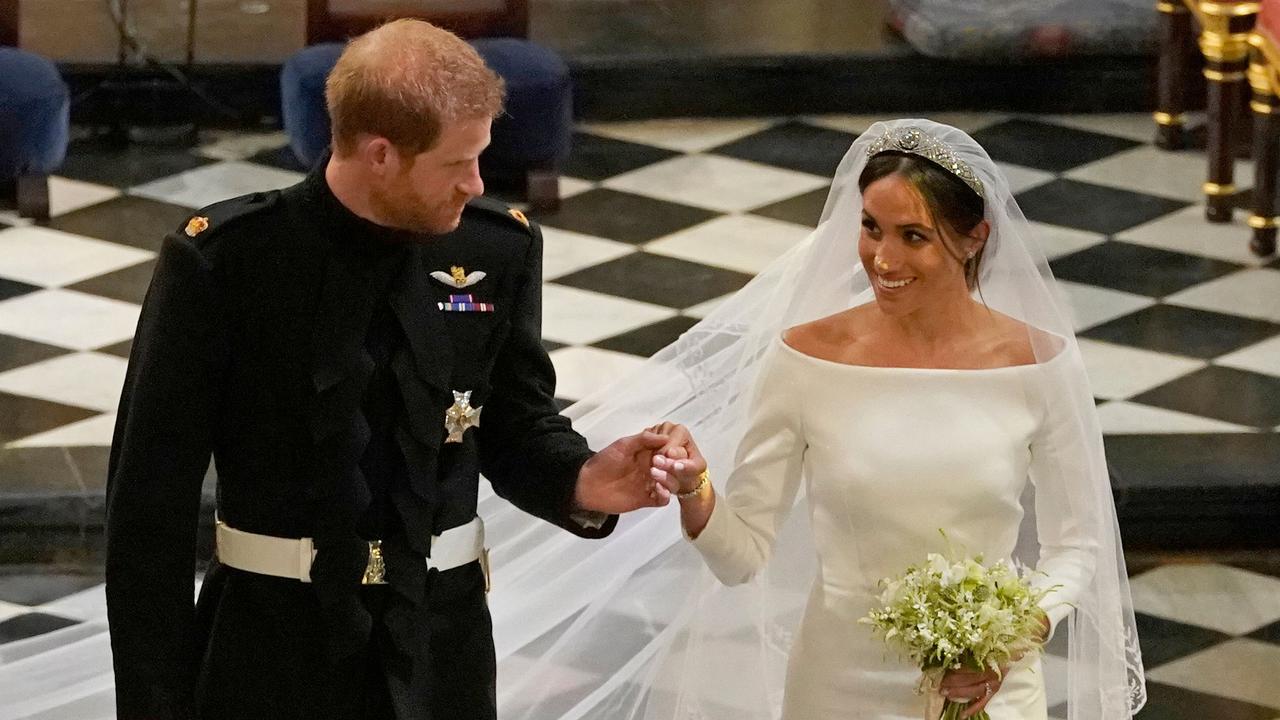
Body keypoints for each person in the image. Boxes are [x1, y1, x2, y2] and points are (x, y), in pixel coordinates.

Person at [103, 19, 674, 720]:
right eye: (455, 163)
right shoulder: (228, 263)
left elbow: (514, 423)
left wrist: (582, 478)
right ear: (380, 154)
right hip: (270, 652)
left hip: (442, 654)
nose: (475, 183)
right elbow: (147, 514)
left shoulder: (498, 250)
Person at [489, 121, 1143, 720]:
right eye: (870, 228)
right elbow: (742, 556)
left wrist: (1016, 635)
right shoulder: (806, 358)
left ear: (976, 238)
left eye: (912, 236)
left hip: (991, 689)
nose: (882, 260)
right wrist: (694, 486)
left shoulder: (1039, 363)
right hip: (840, 690)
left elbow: (1076, 544)